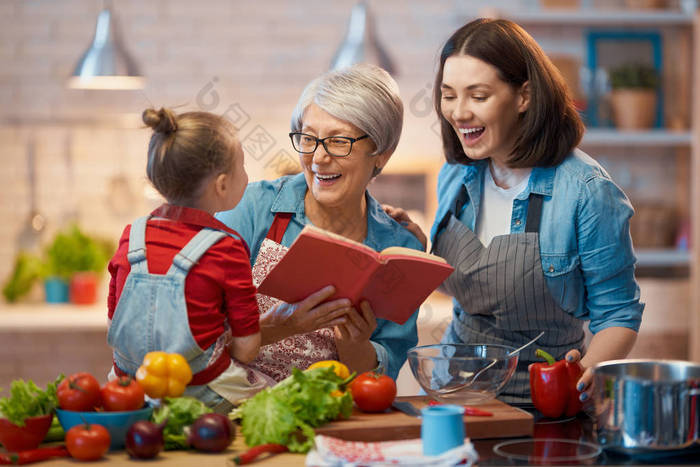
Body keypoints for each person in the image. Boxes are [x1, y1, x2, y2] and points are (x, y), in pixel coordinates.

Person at [394, 18, 644, 403]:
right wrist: (417, 251)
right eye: (448, 95)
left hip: (541, 403)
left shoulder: (586, 192)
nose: (459, 113)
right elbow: (469, 287)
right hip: (452, 391)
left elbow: (618, 316)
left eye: (478, 96)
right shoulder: (456, 175)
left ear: (524, 96)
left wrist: (587, 368)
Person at [216, 64, 421, 382]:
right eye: (308, 139)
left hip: (334, 417)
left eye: (339, 142)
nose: (318, 158)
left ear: (382, 153)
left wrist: (353, 343)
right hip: (238, 417)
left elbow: (382, 376)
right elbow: (193, 341)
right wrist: (276, 328)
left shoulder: (400, 246)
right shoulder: (252, 209)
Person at [107, 108, 263, 413]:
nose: (247, 176)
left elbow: (115, 324)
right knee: (273, 395)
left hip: (130, 391)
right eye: (242, 167)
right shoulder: (227, 247)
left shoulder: (131, 236)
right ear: (221, 185)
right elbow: (247, 348)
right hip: (203, 392)